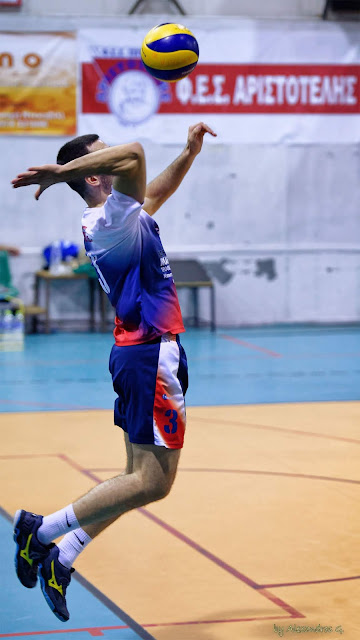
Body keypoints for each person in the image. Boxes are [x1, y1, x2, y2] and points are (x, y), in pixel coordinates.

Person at [11, 121, 216, 622]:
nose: (115, 158)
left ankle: (64, 556)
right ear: (99, 178)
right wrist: (63, 172)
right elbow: (134, 154)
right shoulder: (109, 219)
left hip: (138, 352)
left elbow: (154, 186)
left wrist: (189, 153)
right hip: (150, 354)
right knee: (154, 482)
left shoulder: (119, 215)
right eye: (104, 158)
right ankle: (39, 531)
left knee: (134, 477)